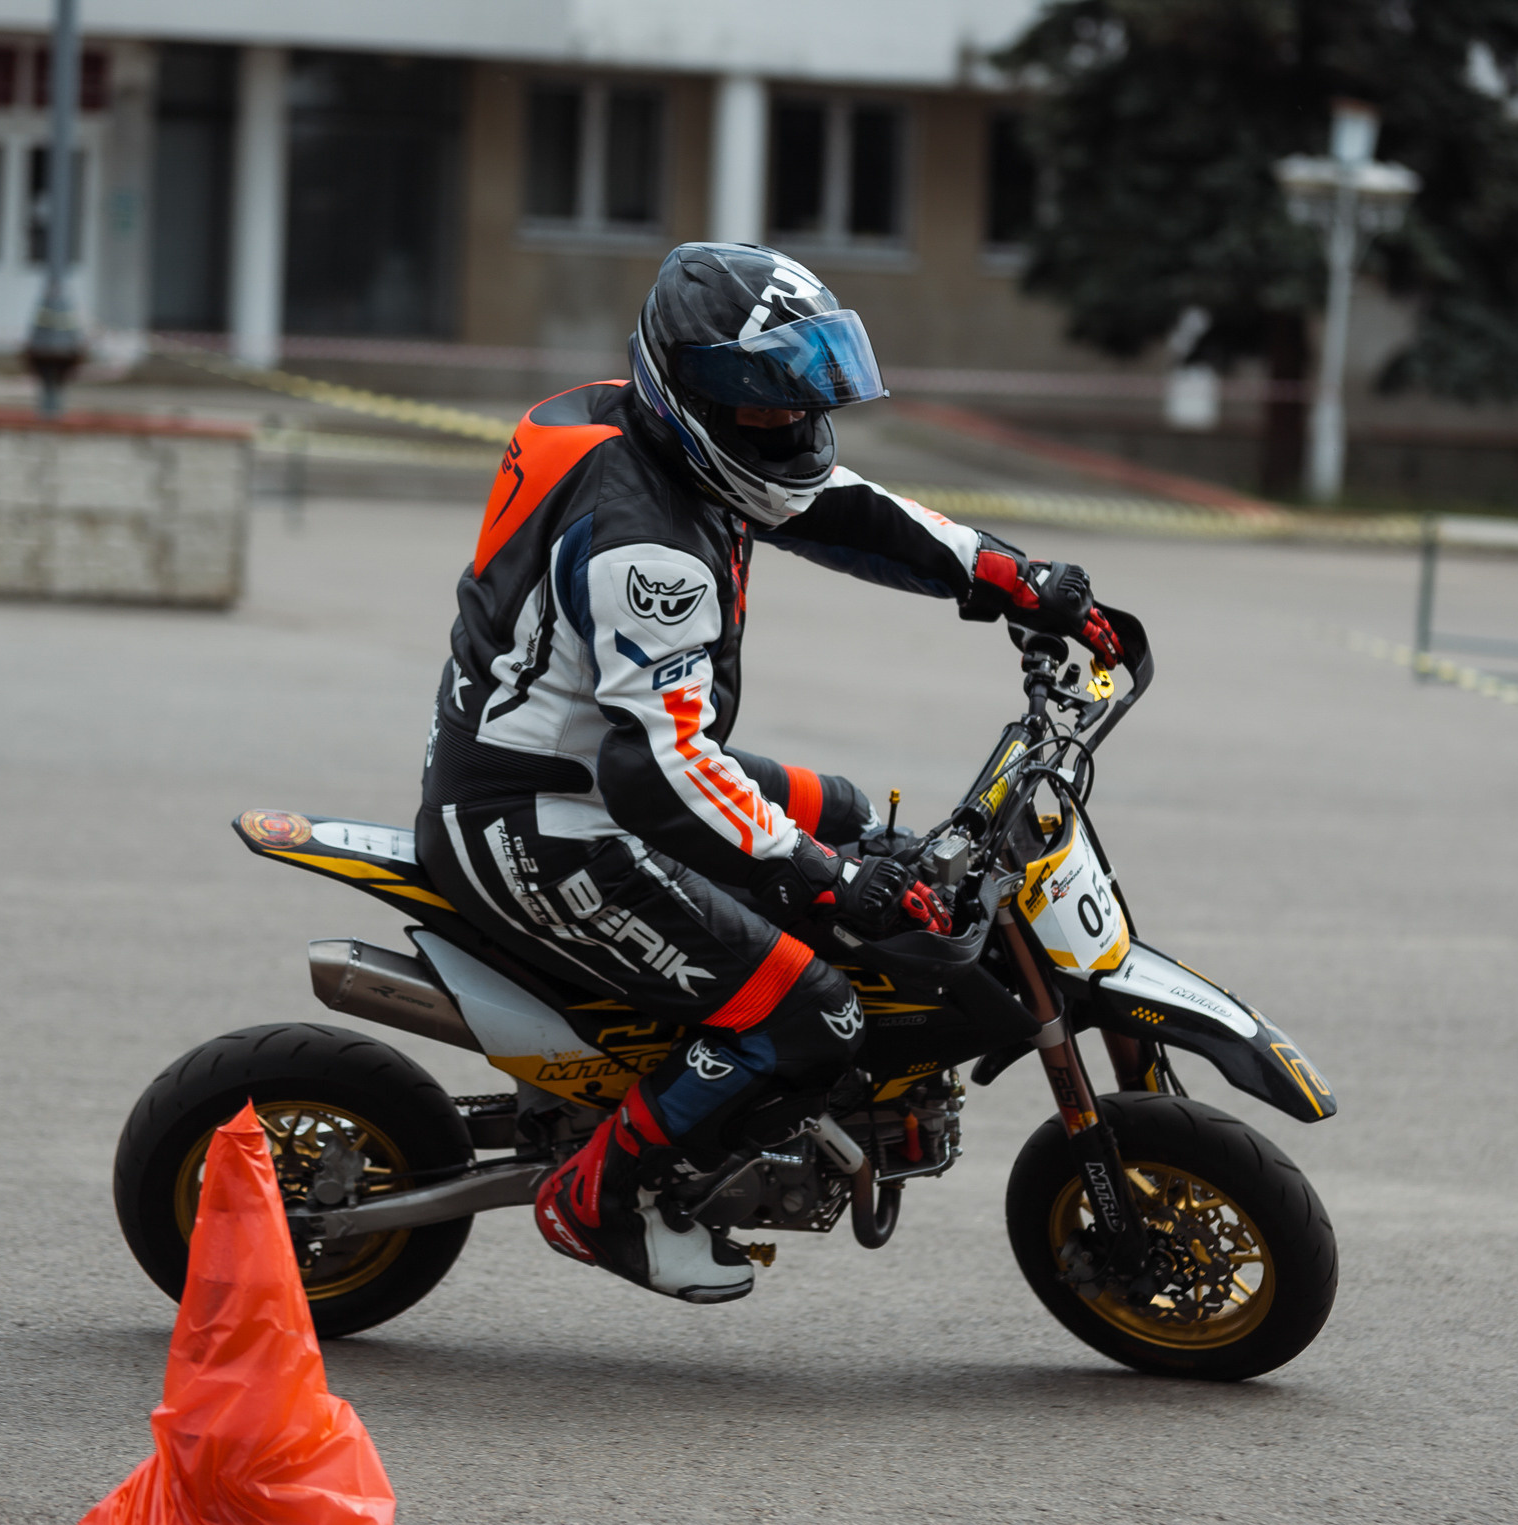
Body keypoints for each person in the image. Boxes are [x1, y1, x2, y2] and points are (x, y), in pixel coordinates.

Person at [416, 243, 1120, 1305]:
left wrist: (1008, 578)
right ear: (691, 394)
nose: (790, 430)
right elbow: (657, 769)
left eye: (800, 404)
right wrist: (825, 880)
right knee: (812, 1009)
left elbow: (837, 504)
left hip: (569, 761)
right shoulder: (648, 548)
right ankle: (600, 1196)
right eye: (765, 410)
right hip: (541, 816)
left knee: (845, 812)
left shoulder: (626, 425)